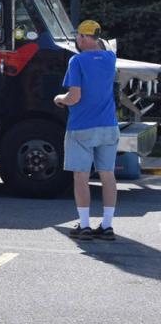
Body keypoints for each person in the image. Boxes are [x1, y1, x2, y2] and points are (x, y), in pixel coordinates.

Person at [56, 19, 121, 242]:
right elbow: (104, 46)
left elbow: (74, 97)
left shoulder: (77, 61)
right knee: (108, 175)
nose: (76, 40)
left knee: (81, 176)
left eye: (79, 36)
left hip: (82, 127)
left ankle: (84, 225)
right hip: (108, 126)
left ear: (83, 37)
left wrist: (59, 99)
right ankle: (107, 225)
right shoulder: (110, 58)